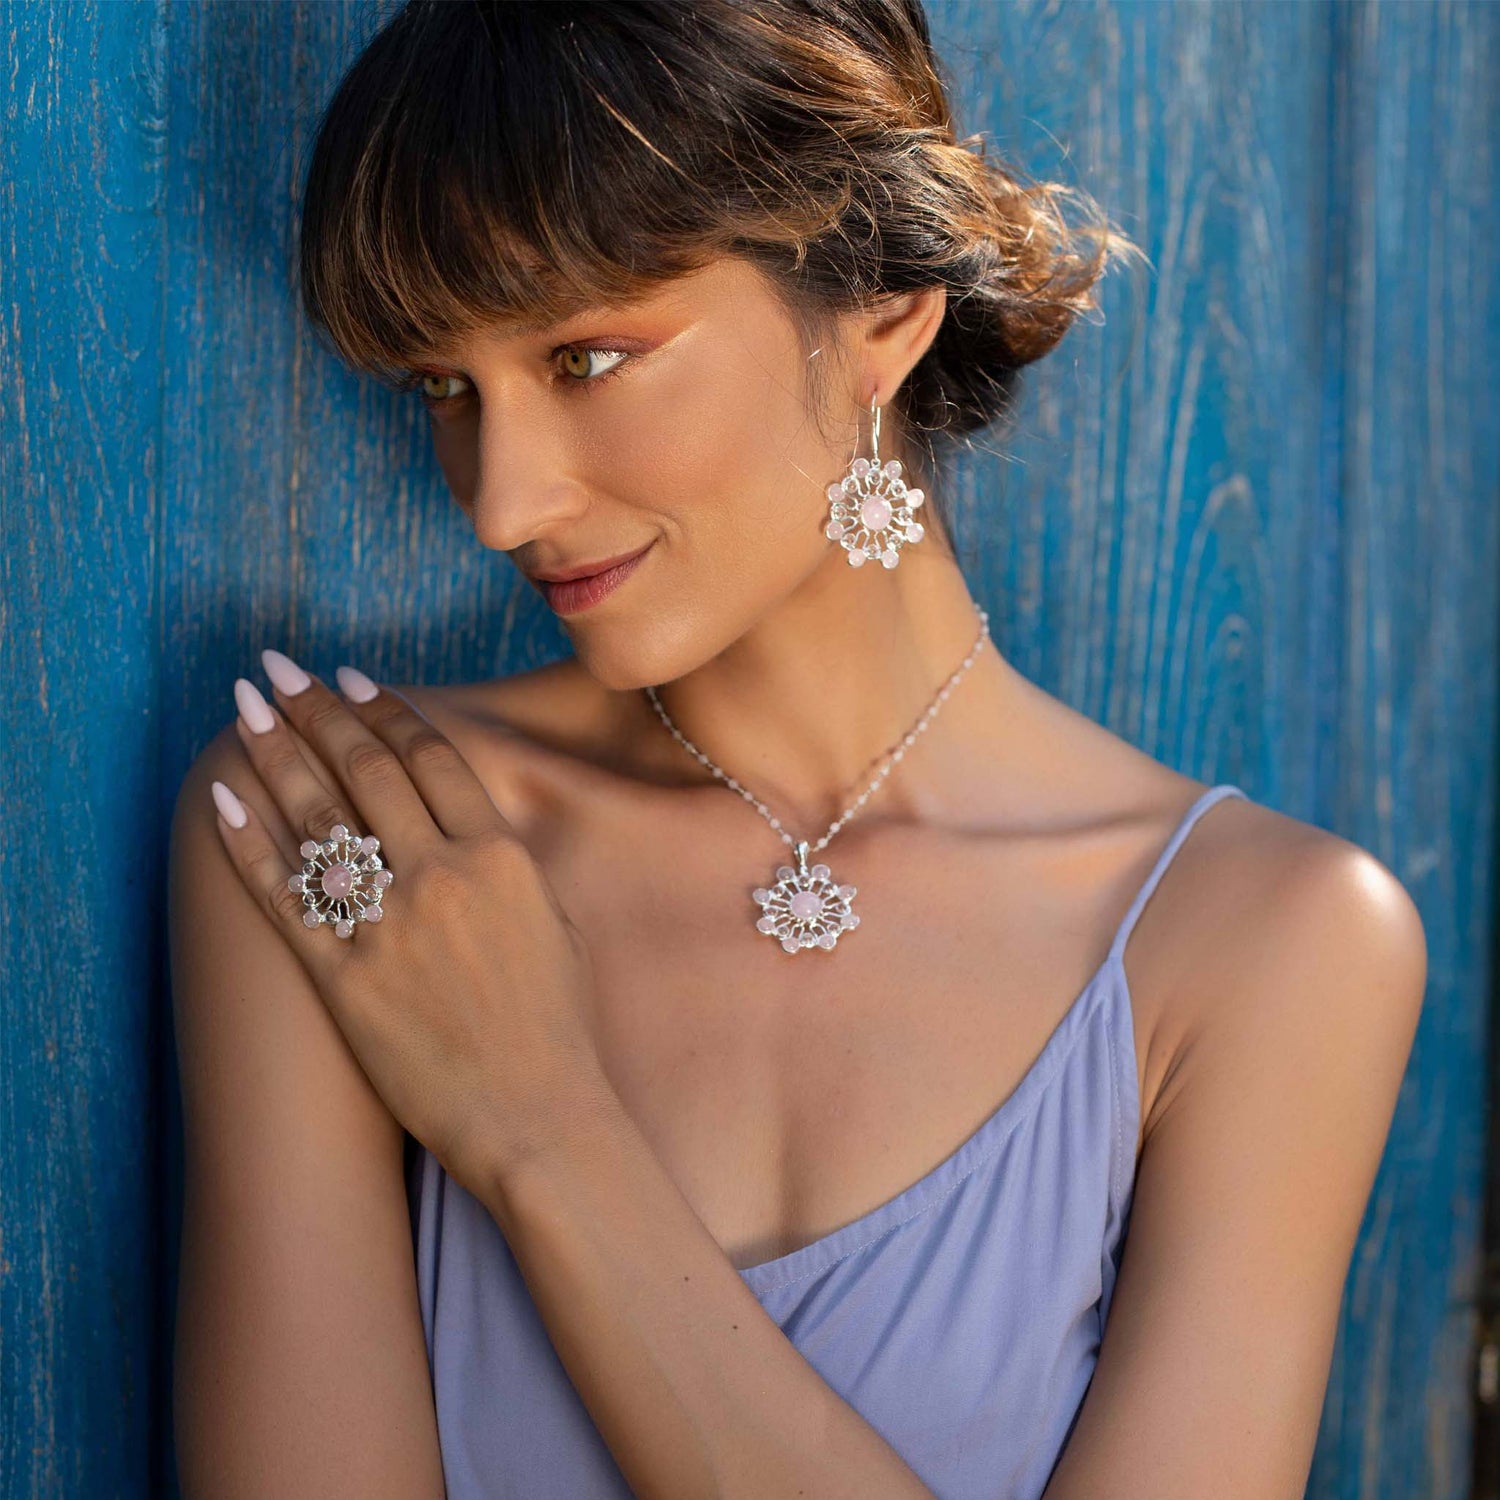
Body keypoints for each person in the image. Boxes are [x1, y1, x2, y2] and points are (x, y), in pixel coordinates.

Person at [167, 2, 1428, 1496]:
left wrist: (539, 1126)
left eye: (583, 360)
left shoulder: (1269, 947)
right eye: (447, 389)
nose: (498, 502)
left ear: (884, 314)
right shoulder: (354, 837)